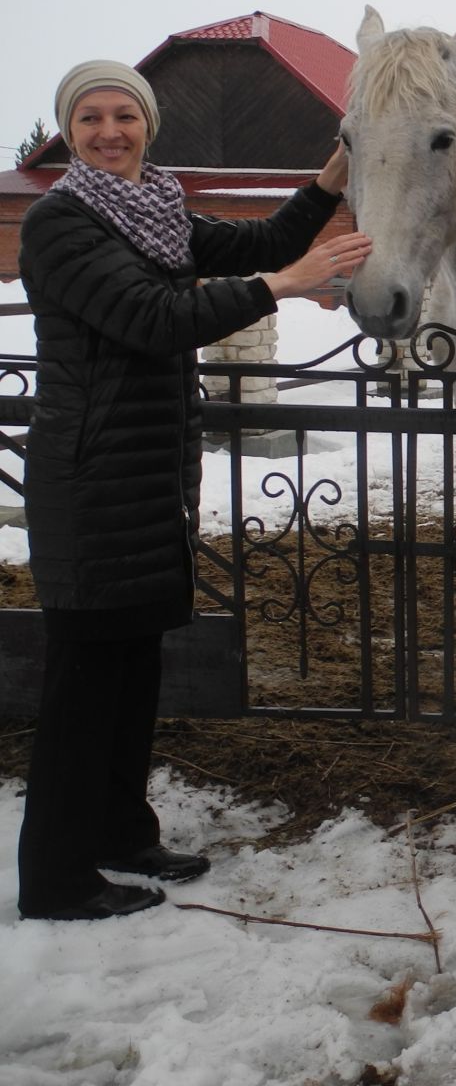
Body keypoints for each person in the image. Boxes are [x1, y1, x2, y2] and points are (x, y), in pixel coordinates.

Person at [16, 60, 372, 922]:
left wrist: (333, 173)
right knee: (81, 689)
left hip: (143, 481)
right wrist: (279, 290)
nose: (110, 132)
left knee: (132, 676)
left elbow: (258, 245)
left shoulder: (157, 210)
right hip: (89, 484)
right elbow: (152, 317)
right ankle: (57, 881)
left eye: (124, 116)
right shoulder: (61, 225)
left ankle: (120, 836)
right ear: (71, 131)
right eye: (91, 118)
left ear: (148, 125)